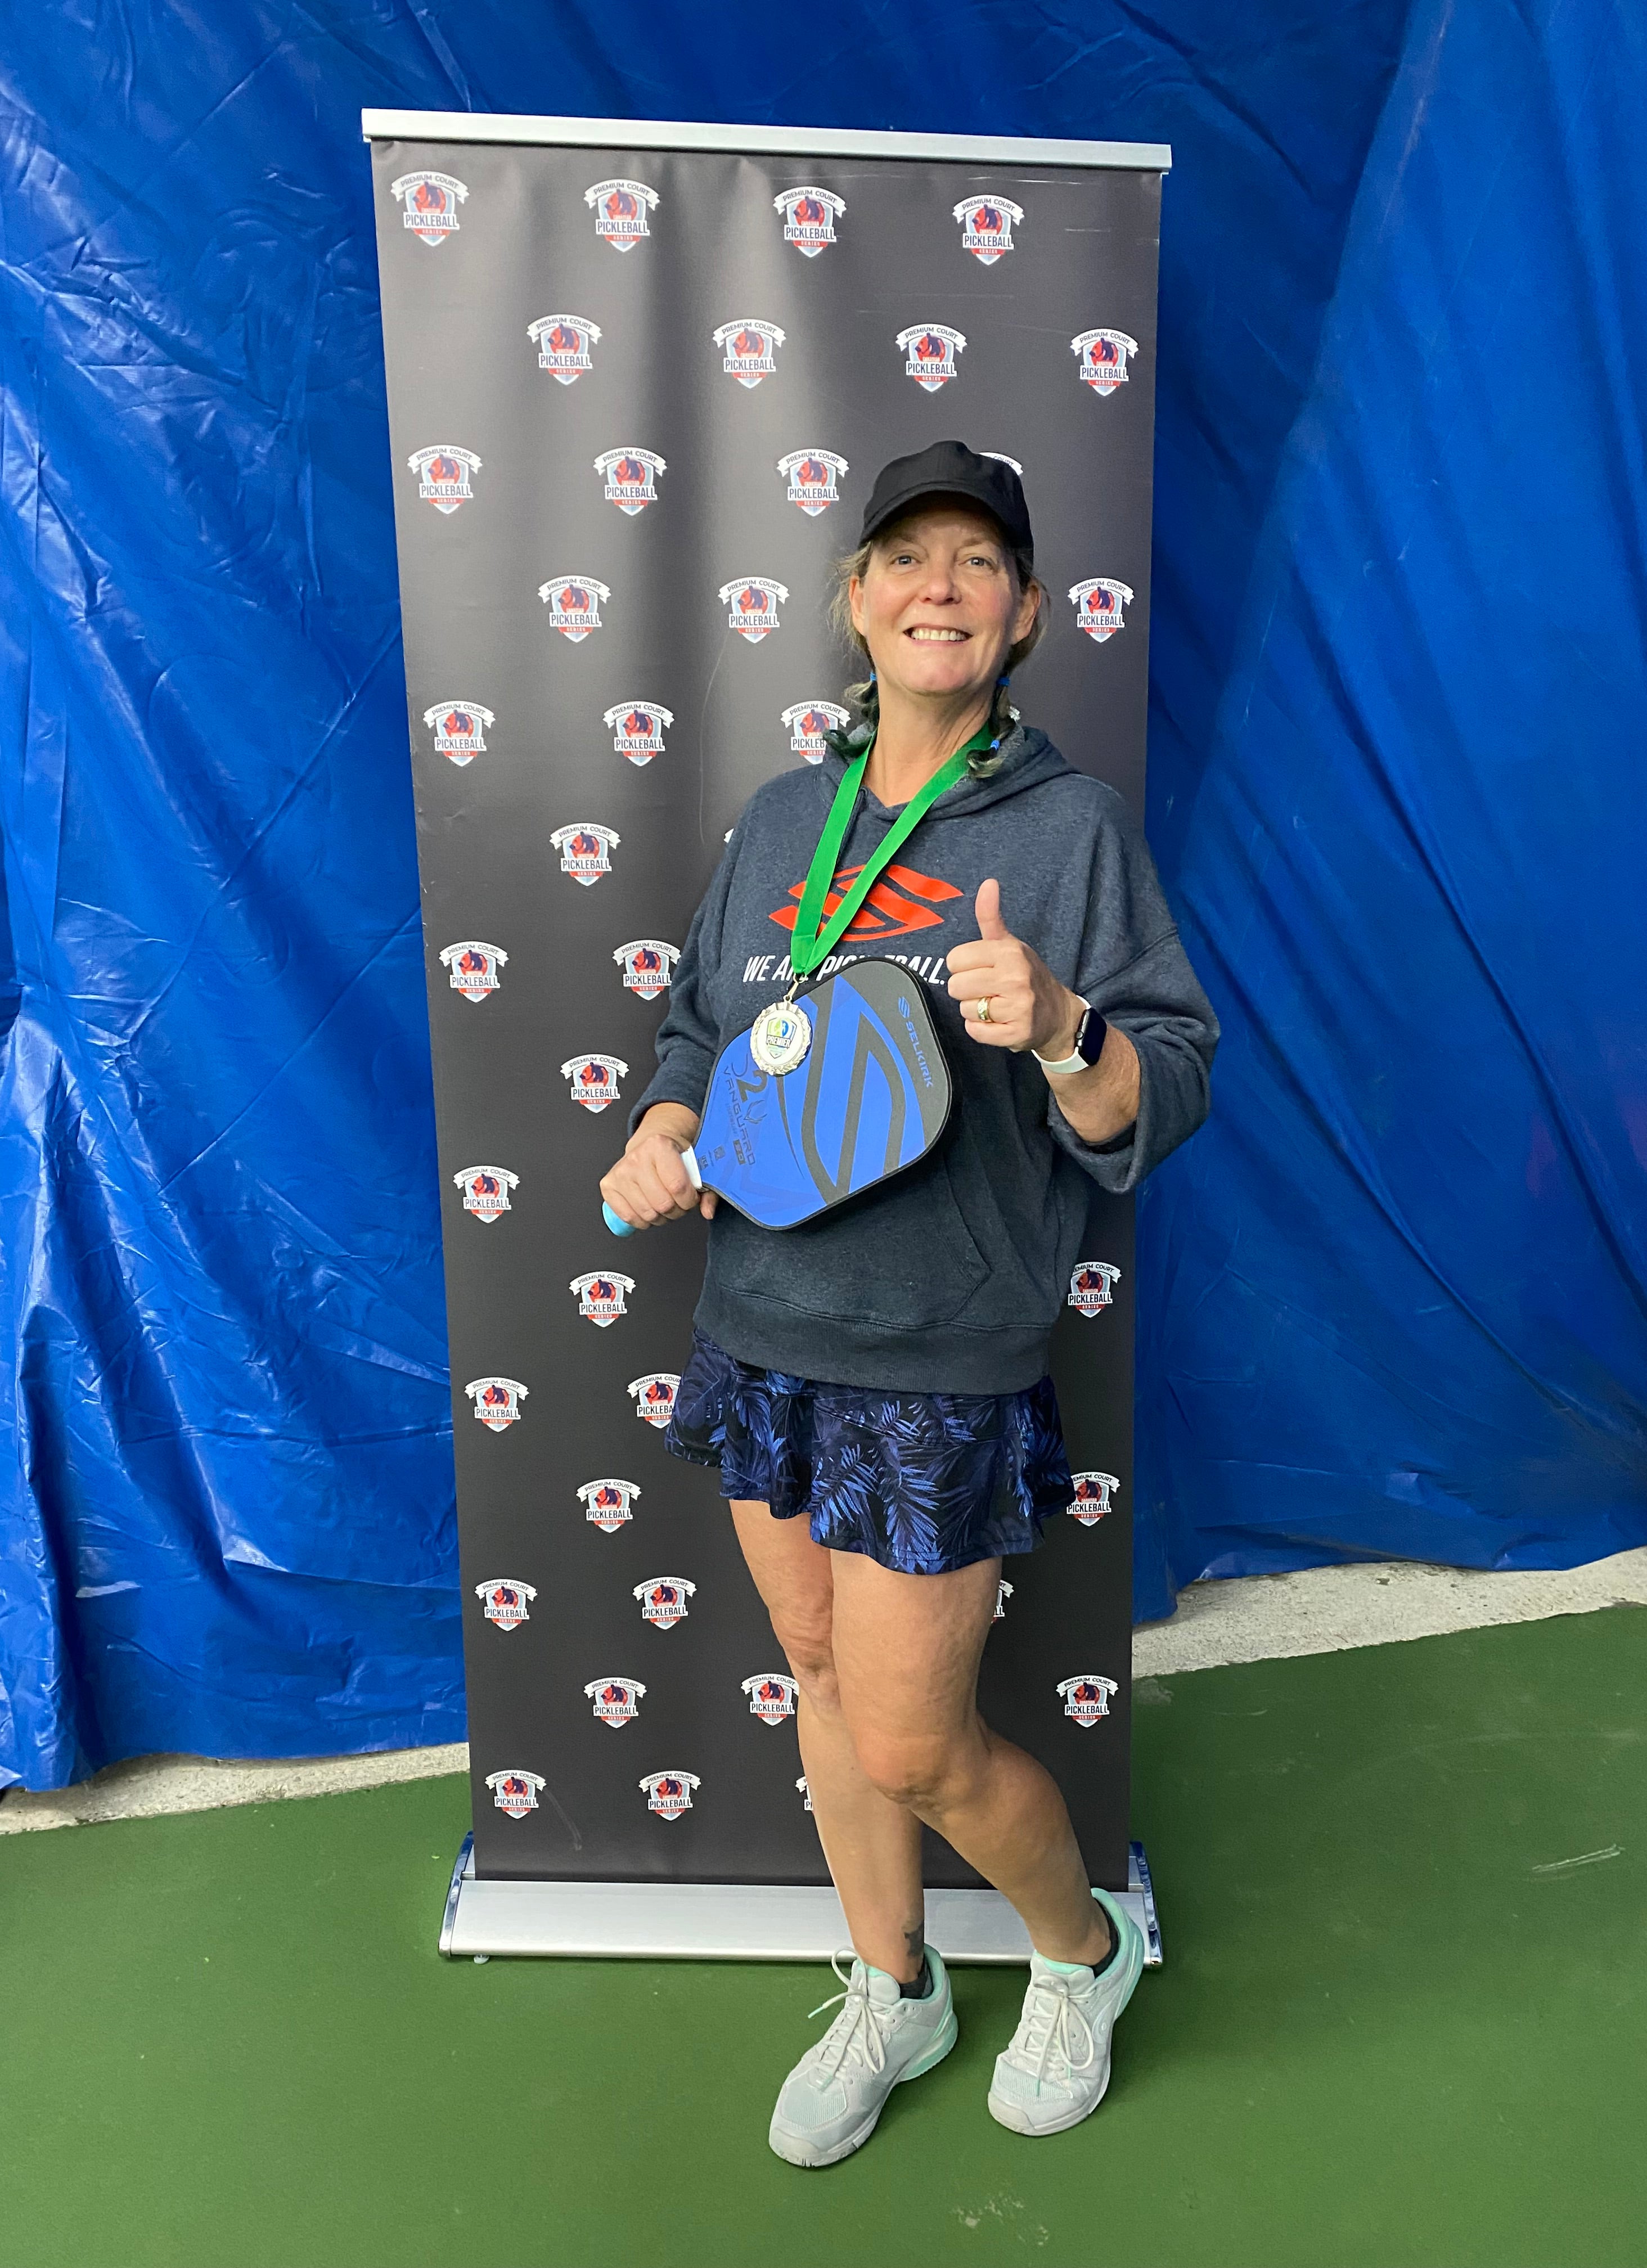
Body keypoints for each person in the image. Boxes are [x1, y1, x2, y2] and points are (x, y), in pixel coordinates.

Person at [600, 440, 1218, 2167]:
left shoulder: (1067, 829)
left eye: (976, 562)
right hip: (759, 1336)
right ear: (852, 603)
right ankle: (896, 1985)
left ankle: (1085, 1954)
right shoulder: (786, 821)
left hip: (936, 1362)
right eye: (904, 557)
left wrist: (1072, 1029)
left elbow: (1171, 1084)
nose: (937, 584)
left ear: (1023, 616)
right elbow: (700, 1038)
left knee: (917, 1739)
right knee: (811, 1669)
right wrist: (666, 1128)